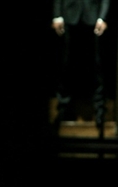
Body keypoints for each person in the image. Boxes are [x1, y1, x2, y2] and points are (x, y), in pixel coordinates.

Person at [51, 0, 110, 137]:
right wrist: (57, 15)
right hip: (69, 14)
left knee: (97, 66)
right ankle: (63, 109)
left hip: (93, 16)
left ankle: (100, 111)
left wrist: (103, 17)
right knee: (66, 65)